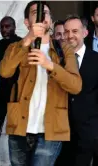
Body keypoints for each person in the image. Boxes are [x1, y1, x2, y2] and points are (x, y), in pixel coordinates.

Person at [0, 1, 82, 165]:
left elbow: (75, 86)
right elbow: (5, 71)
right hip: (20, 128)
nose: (42, 15)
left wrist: (49, 65)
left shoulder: (64, 49)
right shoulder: (16, 47)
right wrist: (29, 38)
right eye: (36, 12)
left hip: (50, 130)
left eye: (46, 12)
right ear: (26, 22)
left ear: (50, 21)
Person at [55, 15, 98, 166]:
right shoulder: (56, 60)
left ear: (85, 33)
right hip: (59, 134)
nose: (70, 35)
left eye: (75, 31)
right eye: (66, 32)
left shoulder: (96, 60)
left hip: (88, 134)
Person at [0, 16, 22, 165]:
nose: (4, 30)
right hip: (1, 94)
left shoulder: (22, 43)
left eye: (7, 26)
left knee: (17, 132)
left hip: (18, 94)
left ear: (14, 27)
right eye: (2, 27)